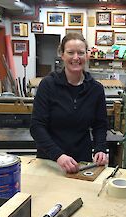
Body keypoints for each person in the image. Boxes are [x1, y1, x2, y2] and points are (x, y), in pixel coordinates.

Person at [30, 33, 108, 174]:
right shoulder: (48, 85)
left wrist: (100, 149)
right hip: (50, 161)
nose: (76, 58)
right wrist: (58, 156)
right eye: (70, 52)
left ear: (87, 55)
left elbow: (100, 125)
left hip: (82, 162)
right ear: (62, 55)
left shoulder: (96, 89)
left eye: (81, 53)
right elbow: (36, 126)